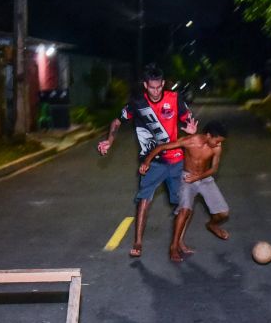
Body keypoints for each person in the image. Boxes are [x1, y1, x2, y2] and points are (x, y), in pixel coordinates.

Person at [98, 63, 196, 257]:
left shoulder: (175, 99)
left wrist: (192, 131)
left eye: (160, 86)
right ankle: (138, 242)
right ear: (145, 85)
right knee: (144, 199)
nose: (156, 91)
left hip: (176, 160)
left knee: (184, 204)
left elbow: (187, 120)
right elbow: (117, 121)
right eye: (152, 87)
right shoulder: (137, 103)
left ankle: (179, 242)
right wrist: (109, 140)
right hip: (152, 162)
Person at [139, 120, 229, 262]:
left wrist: (199, 177)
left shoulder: (217, 148)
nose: (218, 144)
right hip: (187, 178)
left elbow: (214, 169)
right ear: (209, 135)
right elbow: (162, 147)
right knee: (184, 211)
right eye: (217, 141)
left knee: (223, 213)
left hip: (204, 179)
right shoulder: (190, 141)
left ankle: (212, 224)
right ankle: (174, 247)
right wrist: (147, 162)